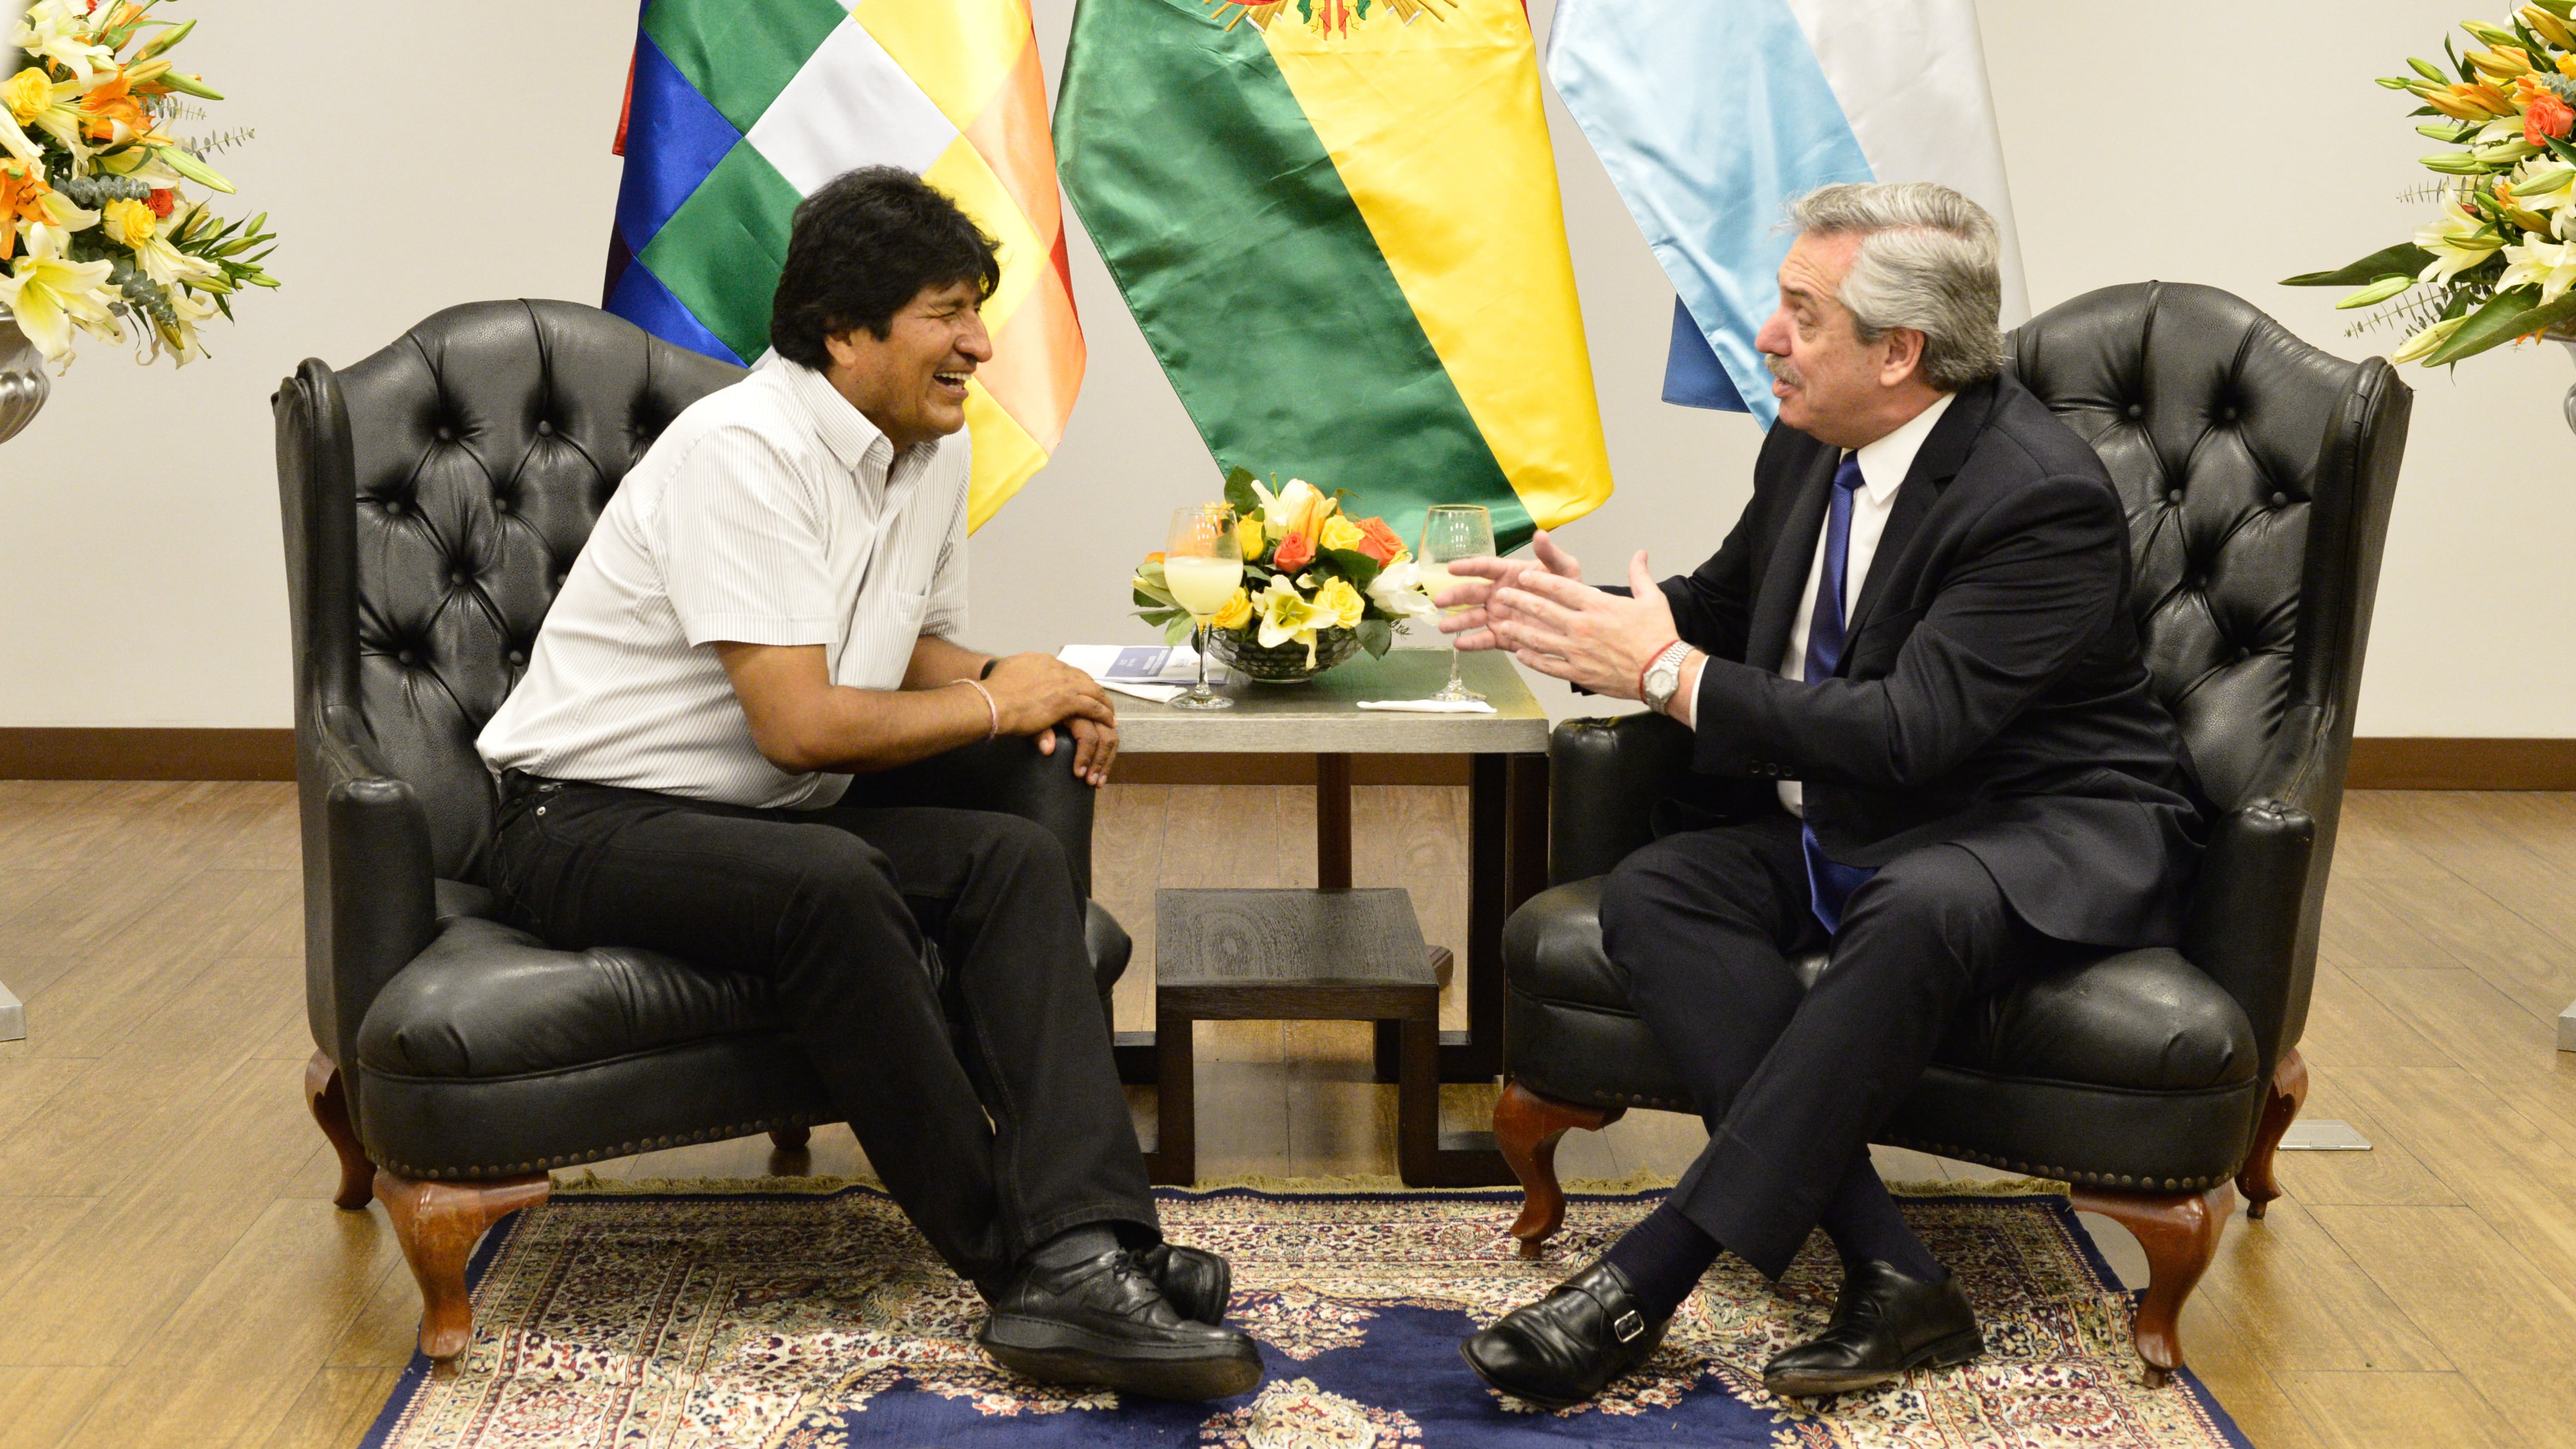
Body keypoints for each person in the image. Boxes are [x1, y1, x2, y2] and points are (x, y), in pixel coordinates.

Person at [475, 166, 1263, 1402]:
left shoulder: (926, 450)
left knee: (1009, 861)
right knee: (835, 882)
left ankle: (1095, 1236)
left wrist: (1025, 676)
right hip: (580, 822)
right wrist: (998, 702)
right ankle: (1028, 1273)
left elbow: (912, 654)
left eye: (977, 310)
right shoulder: (743, 450)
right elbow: (797, 726)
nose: (980, 344)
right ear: (845, 331)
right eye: (948, 313)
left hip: (757, 823)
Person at [1438, 182, 2202, 1407]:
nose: (1766, 338)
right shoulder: (1809, 438)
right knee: (1659, 893)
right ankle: (1893, 1272)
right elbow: (1737, 608)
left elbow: (1912, 731)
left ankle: (1648, 1275)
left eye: (1800, 312)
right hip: (1853, 819)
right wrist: (1594, 627)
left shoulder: (2034, 497)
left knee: (1922, 904)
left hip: (2034, 823)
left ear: (1899, 352)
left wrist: (1666, 673)